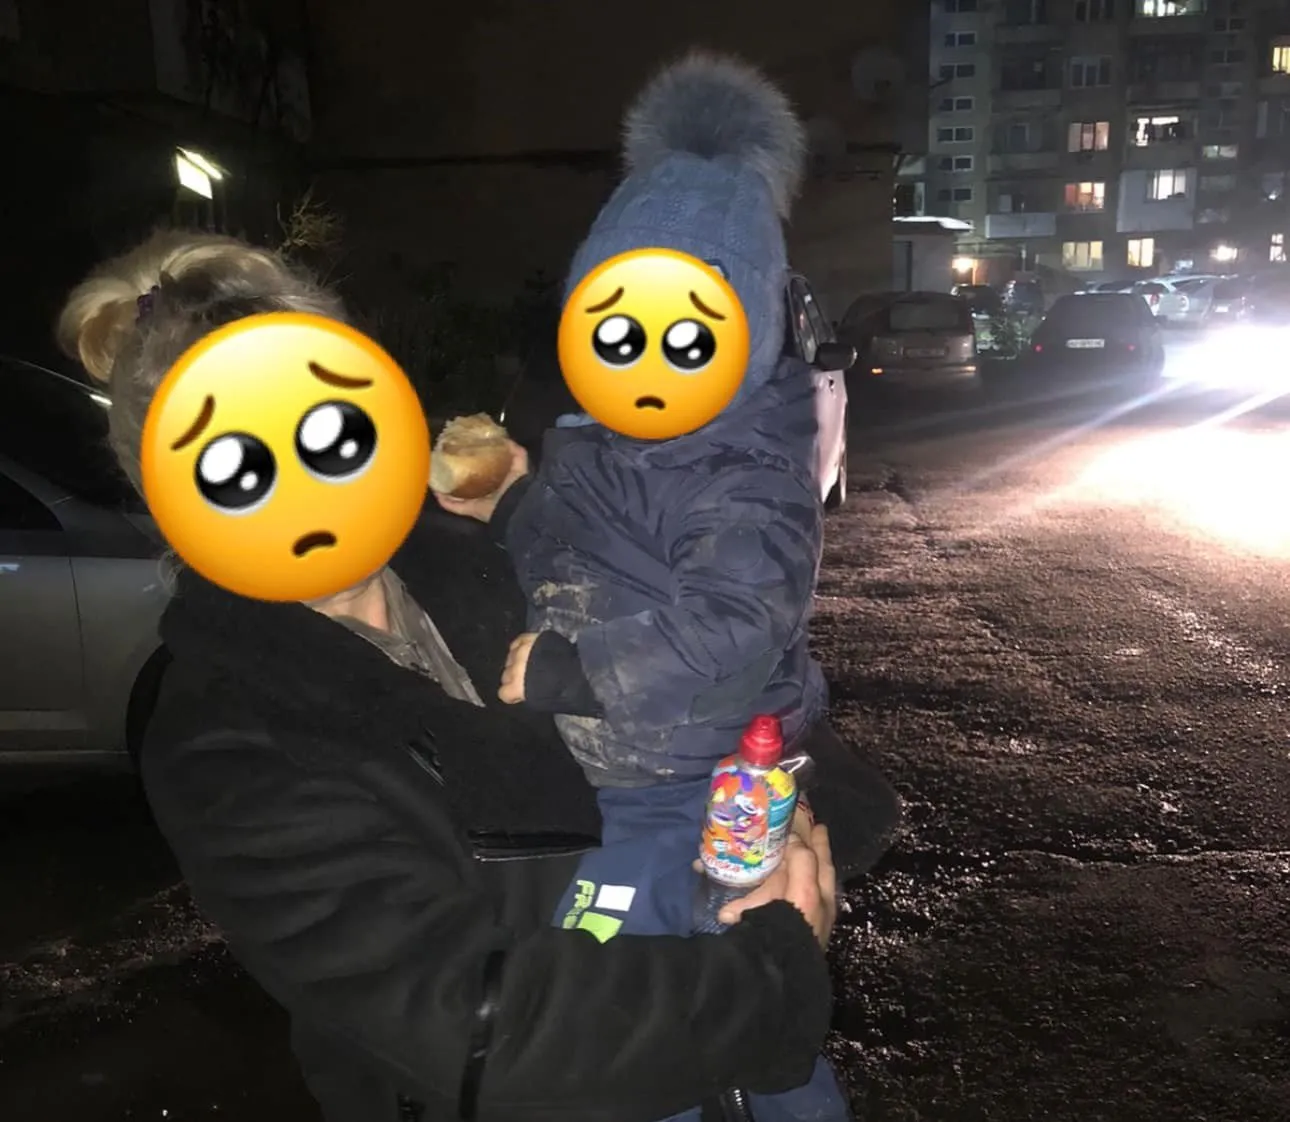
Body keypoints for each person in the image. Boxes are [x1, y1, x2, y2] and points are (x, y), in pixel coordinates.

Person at [52, 229, 843, 1122]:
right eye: (238, 468)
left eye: (328, 432)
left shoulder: (488, 558)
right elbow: (476, 1030)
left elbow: (699, 671)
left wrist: (777, 820)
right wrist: (770, 974)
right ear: (169, 498)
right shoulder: (227, 734)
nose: (305, 487)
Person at [438, 53, 901, 1122]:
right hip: (630, 767)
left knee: (623, 975)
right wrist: (508, 502)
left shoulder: (744, 474)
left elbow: (740, 620)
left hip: (694, 776)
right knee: (682, 987)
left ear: (748, 331)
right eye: (619, 329)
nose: (647, 361)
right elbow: (583, 544)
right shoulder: (602, 443)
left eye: (686, 335)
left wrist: (577, 670)